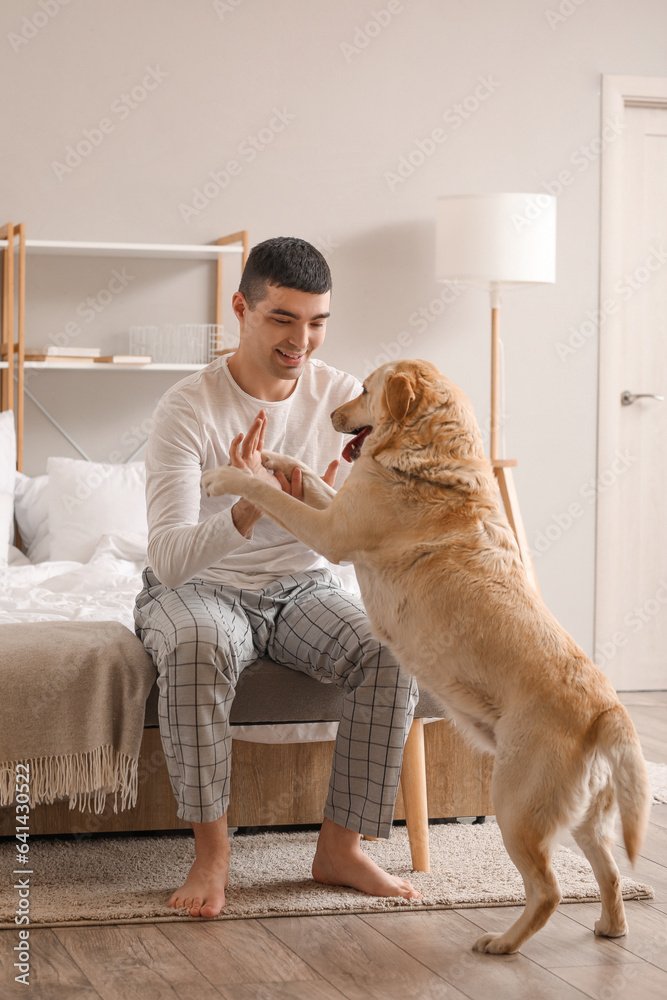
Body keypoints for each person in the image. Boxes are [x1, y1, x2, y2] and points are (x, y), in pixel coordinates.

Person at [134, 236, 420, 918]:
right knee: (196, 645)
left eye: (317, 321)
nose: (303, 340)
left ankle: (340, 849)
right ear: (241, 308)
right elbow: (169, 558)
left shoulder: (346, 398)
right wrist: (247, 502)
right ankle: (211, 855)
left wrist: (314, 503)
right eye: (282, 319)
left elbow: (351, 543)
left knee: (391, 648)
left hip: (301, 587)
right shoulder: (186, 408)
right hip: (198, 588)